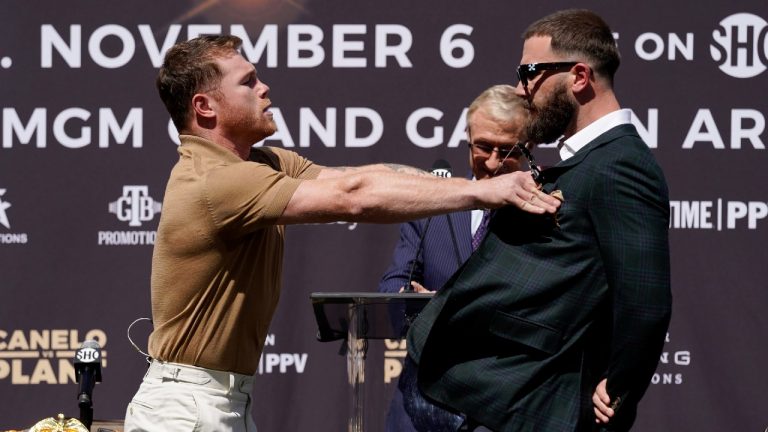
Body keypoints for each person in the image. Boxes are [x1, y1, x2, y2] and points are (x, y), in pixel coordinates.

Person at [122, 35, 560, 432]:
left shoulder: (261, 163)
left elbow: (358, 175)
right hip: (188, 405)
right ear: (205, 107)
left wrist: (471, 186)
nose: (264, 88)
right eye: (248, 82)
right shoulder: (214, 183)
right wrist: (483, 191)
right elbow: (354, 196)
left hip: (220, 398)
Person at [407, 9, 672, 432]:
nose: (520, 88)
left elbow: (645, 303)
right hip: (498, 398)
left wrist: (620, 387)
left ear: (579, 77)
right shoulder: (591, 161)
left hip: (538, 408)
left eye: (529, 72)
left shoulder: (621, 165)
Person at [378, 85, 531, 432]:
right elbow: (393, 282)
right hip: (422, 408)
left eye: (507, 151)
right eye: (483, 146)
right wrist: (407, 296)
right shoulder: (433, 206)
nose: (492, 162)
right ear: (468, 141)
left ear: (528, 149)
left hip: (502, 408)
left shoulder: (543, 217)